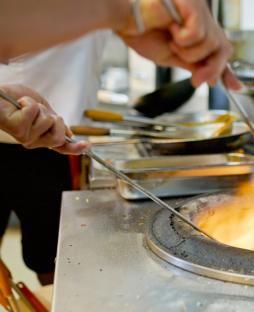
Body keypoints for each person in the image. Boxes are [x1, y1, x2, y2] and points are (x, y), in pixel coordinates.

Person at [0, 0, 240, 285]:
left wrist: (128, 18)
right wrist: (128, 13)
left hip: (55, 135)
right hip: (38, 125)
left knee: (54, 262)